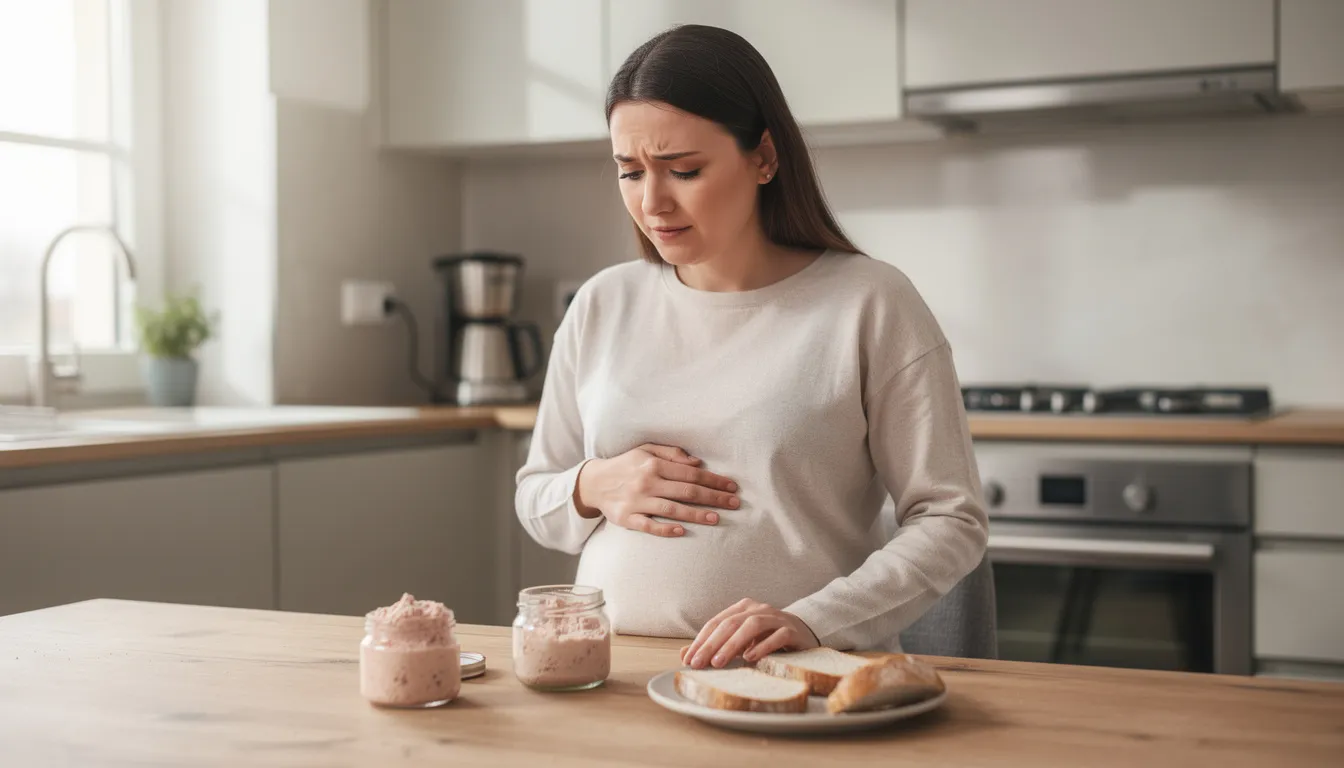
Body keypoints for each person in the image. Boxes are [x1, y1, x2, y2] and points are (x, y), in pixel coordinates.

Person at [515, 24, 988, 670]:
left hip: (799, 678)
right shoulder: (602, 303)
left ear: (764, 157)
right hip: (610, 673)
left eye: (684, 170)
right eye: (629, 171)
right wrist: (592, 484)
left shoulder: (870, 302)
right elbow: (536, 499)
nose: (652, 203)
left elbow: (951, 520)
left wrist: (813, 621)